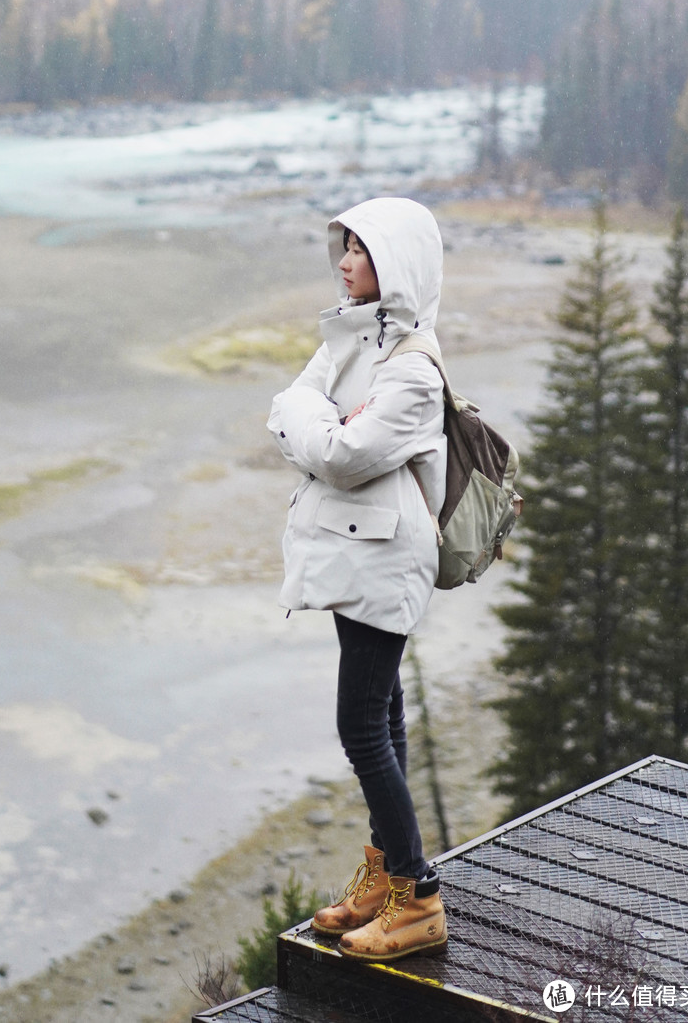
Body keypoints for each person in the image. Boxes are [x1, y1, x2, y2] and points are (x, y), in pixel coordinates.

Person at [267, 196, 448, 960]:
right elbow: (286, 407)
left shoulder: (412, 371)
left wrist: (321, 427)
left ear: (395, 266)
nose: (343, 262)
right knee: (385, 716)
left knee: (360, 724)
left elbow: (342, 456)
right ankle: (383, 878)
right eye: (342, 249)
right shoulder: (351, 339)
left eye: (359, 252)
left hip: (386, 557)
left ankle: (418, 894)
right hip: (354, 552)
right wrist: (323, 423)